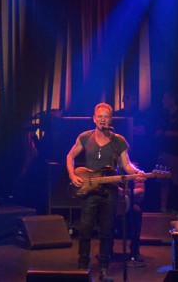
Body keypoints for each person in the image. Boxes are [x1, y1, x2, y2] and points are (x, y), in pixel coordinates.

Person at [67, 103, 145, 280]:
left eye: (106, 117)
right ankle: (82, 265)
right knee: (85, 228)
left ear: (111, 119)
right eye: (99, 116)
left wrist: (137, 173)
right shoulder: (85, 137)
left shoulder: (118, 141)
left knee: (107, 230)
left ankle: (104, 267)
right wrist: (72, 175)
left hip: (110, 191)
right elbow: (70, 156)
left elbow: (126, 165)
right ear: (94, 119)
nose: (103, 119)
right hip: (89, 189)